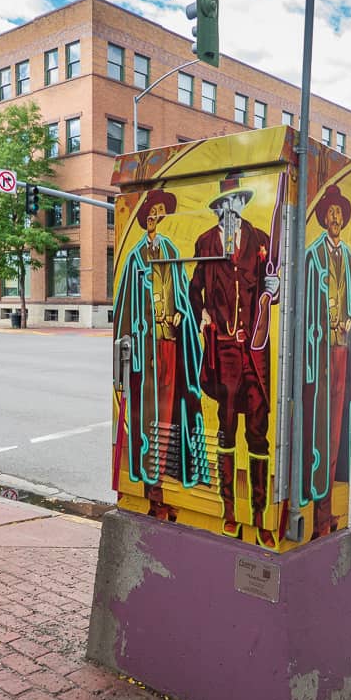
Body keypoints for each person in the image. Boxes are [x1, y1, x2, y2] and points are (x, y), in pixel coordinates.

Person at [189, 173, 279, 547]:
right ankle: (228, 510)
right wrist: (202, 317)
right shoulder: (206, 242)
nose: (229, 210)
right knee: (226, 428)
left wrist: (274, 291)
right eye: (222, 205)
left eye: (234, 203)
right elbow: (194, 289)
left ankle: (260, 513)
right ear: (217, 210)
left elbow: (271, 284)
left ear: (242, 204)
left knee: (258, 430)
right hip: (224, 350)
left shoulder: (262, 241)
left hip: (255, 351)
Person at [115, 187, 208, 518]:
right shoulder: (134, 258)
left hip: (170, 345)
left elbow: (181, 293)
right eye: (150, 212)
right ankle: (153, 491)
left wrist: (180, 312)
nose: (155, 217)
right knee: (148, 418)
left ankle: (167, 484)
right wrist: (122, 366)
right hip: (146, 351)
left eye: (159, 212)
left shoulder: (170, 249)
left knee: (169, 416)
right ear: (145, 219)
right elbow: (125, 310)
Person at [302, 183, 351, 538]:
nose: (335, 219)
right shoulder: (312, 255)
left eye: (339, 214)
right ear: (324, 219)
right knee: (318, 433)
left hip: (341, 352)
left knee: (335, 431)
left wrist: (349, 318)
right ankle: (319, 513)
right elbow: (306, 309)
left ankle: (326, 512)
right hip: (318, 354)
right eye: (331, 214)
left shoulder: (348, 257)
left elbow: (350, 299)